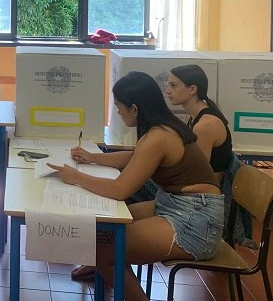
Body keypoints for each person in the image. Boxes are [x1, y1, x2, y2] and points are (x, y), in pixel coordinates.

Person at [48, 71, 224, 301]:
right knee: (106, 225)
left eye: (120, 107)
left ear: (135, 108)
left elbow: (120, 189)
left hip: (194, 221)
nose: (118, 112)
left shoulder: (158, 136)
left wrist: (76, 177)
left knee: (104, 252)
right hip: (178, 205)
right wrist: (94, 158)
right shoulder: (160, 128)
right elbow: (136, 156)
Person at [166, 64, 254, 246]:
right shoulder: (192, 116)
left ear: (192, 90)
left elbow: (196, 174)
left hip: (206, 200)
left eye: (174, 86)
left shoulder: (205, 125)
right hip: (201, 191)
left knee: (140, 189)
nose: (167, 91)